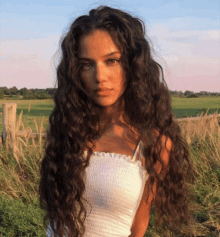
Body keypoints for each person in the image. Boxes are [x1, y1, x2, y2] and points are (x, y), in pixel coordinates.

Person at [39, 5, 193, 237]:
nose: (99, 77)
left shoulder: (154, 144)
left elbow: (137, 229)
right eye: (86, 64)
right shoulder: (67, 130)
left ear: (133, 64)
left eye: (112, 61)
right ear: (75, 71)